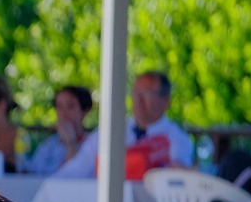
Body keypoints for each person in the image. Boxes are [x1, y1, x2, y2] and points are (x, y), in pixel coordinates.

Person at [55, 70, 195, 178]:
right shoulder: (110, 131)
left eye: (146, 94)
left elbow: (176, 178)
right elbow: (77, 168)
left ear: (166, 100)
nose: (138, 99)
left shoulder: (177, 139)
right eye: (135, 92)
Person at [21, 85, 93, 176]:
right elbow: (31, 174)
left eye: (70, 106)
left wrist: (70, 144)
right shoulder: (48, 145)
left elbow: (75, 175)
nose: (64, 113)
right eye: (59, 106)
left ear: (85, 111)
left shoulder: (92, 145)